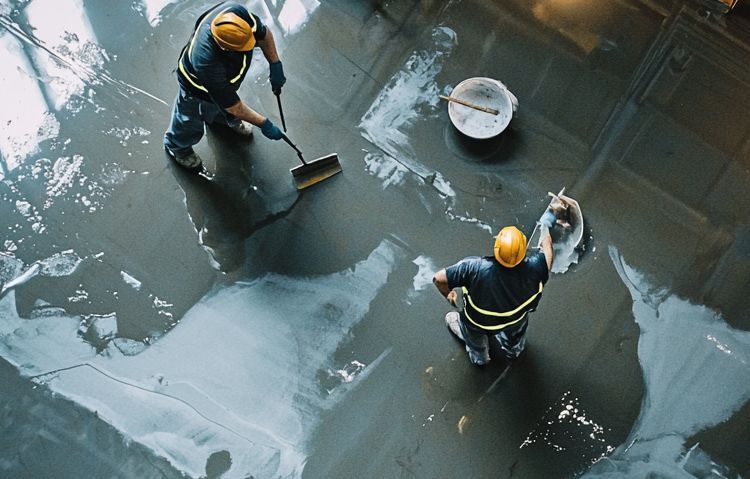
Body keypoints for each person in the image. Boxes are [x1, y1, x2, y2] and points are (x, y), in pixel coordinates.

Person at [164, 2, 286, 169]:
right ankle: (178, 147)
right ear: (224, 46)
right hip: (197, 88)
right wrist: (264, 124)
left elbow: (263, 34)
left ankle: (221, 121)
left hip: (225, 80)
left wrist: (275, 64)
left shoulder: (236, 14)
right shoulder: (205, 62)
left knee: (220, 109)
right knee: (189, 120)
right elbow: (234, 106)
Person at [432, 214, 555, 366]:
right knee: (515, 335)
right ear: (523, 252)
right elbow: (547, 246)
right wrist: (549, 218)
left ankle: (481, 359)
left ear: (497, 248)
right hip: (515, 319)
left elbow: (439, 278)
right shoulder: (537, 268)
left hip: (478, 322)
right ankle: (514, 350)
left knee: (474, 338)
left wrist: (448, 293)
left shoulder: (474, 268)